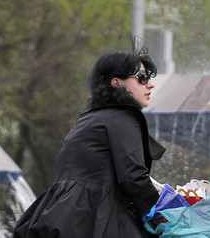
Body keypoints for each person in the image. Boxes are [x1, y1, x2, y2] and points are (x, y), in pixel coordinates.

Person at [13, 42, 164, 238]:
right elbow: (133, 177)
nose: (150, 84)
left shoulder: (89, 119)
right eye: (142, 78)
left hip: (62, 217)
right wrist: (163, 214)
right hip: (97, 219)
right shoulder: (123, 117)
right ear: (117, 83)